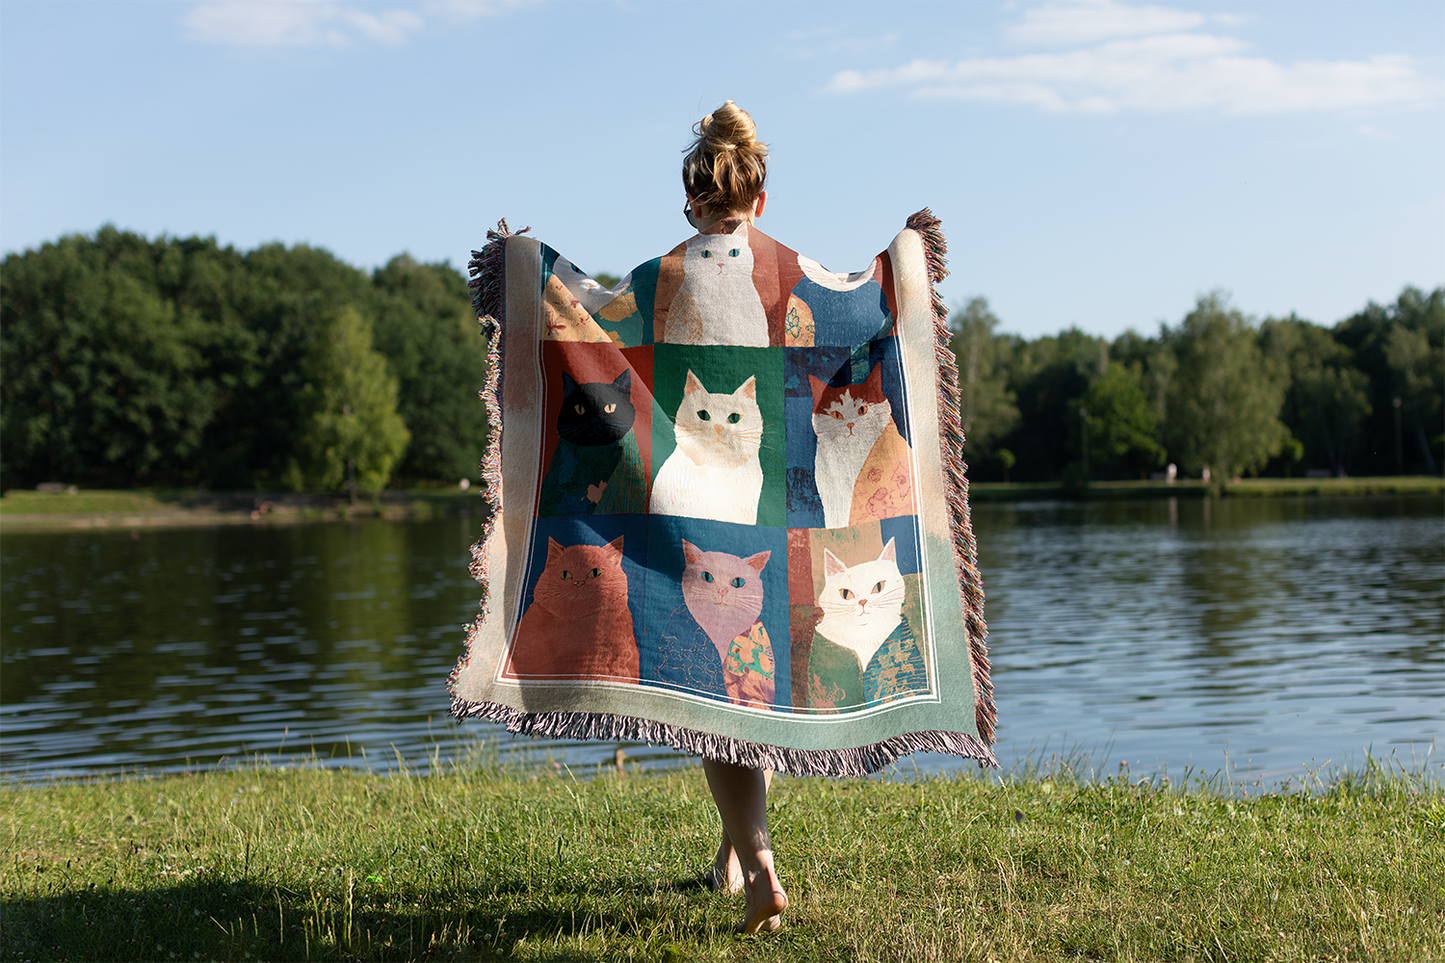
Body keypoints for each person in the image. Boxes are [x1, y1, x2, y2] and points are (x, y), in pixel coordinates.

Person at [678, 101, 787, 935]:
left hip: (690, 504)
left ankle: (760, 871)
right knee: (748, 678)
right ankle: (727, 858)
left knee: (714, 694)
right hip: (769, 504)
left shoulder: (670, 275)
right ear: (759, 195)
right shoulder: (785, 273)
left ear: (691, 201)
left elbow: (593, 325)